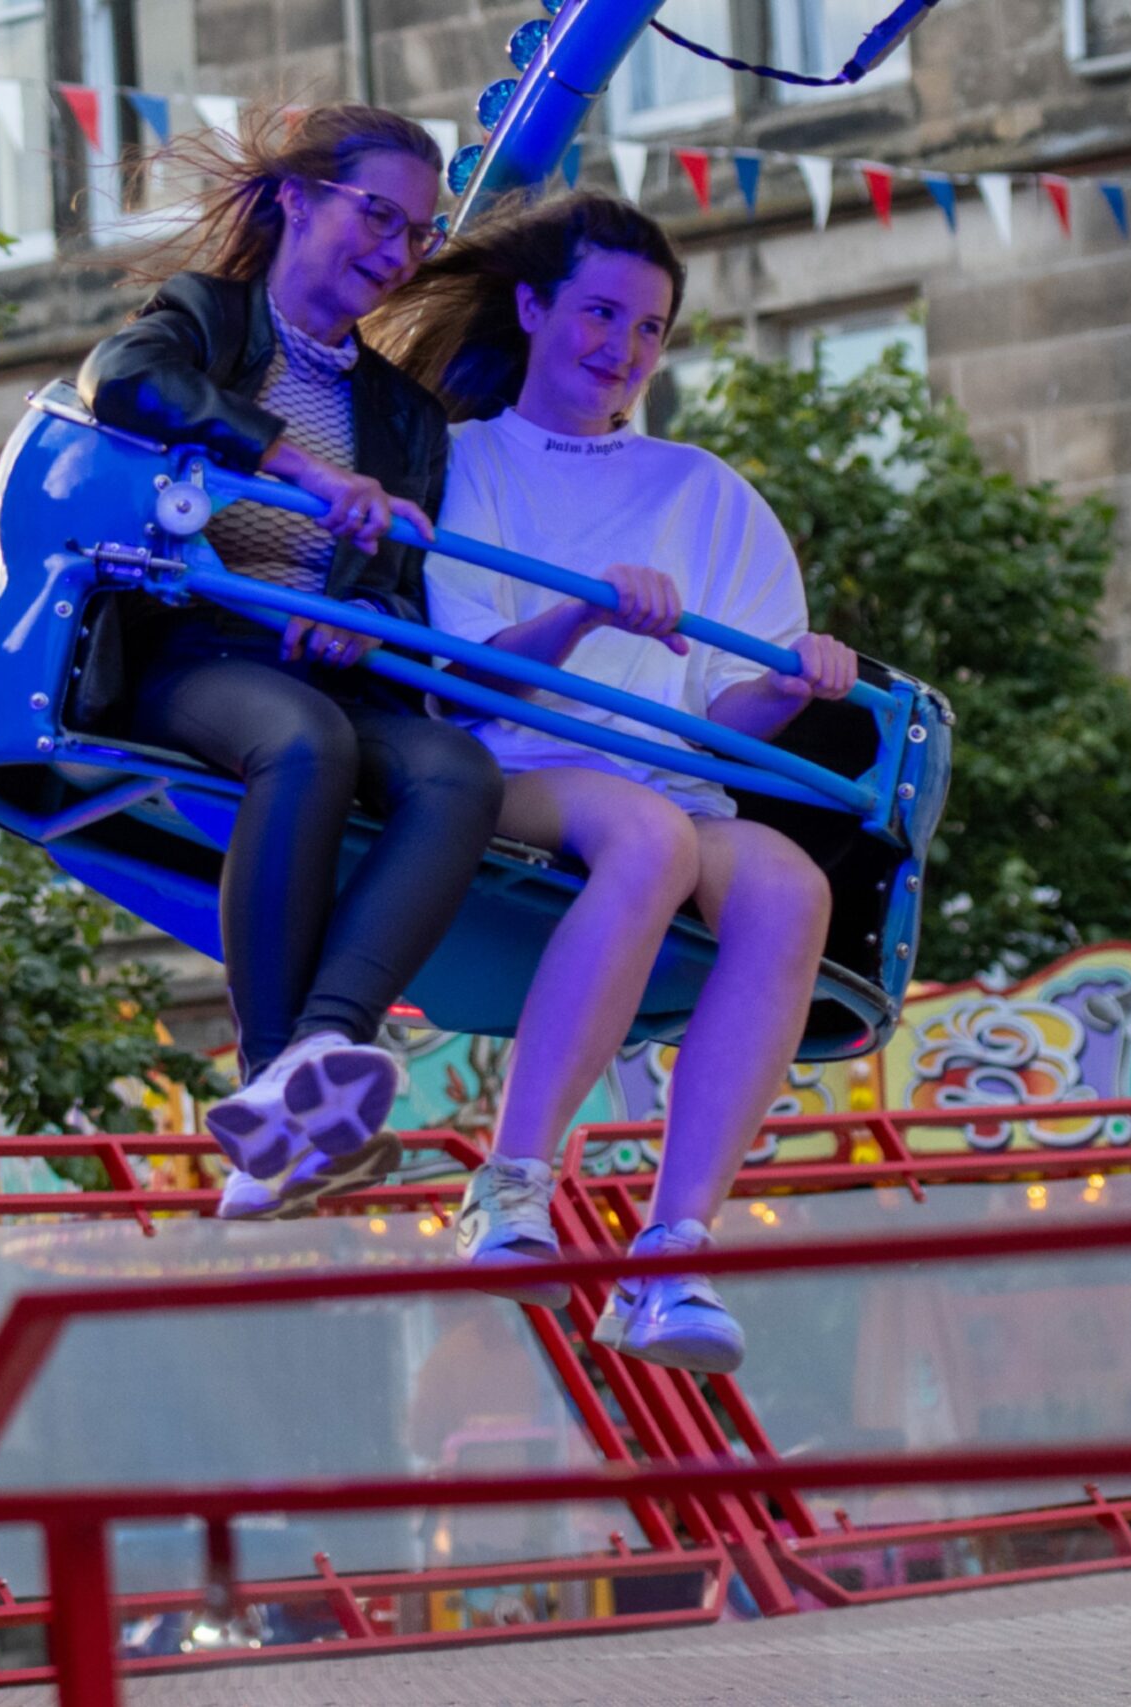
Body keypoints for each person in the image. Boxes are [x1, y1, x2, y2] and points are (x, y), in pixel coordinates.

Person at [374, 194, 858, 1372]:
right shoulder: (469, 462)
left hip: (666, 779)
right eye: (598, 314)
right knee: (647, 839)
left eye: (648, 330)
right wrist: (583, 610)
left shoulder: (702, 491)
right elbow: (473, 682)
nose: (622, 349)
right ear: (534, 309)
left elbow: (721, 717)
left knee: (790, 890)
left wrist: (797, 685)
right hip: (520, 762)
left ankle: (673, 1253)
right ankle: (512, 1183)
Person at [76, 105, 503, 1219]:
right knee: (300, 745)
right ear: (294, 201)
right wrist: (299, 472)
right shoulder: (205, 323)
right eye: (377, 216)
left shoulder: (403, 414)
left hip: (326, 666)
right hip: (199, 648)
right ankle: (270, 1075)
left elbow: (396, 561)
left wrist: (360, 614)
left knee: (456, 773)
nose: (395, 252)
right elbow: (123, 381)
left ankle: (323, 1051)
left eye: (415, 235)